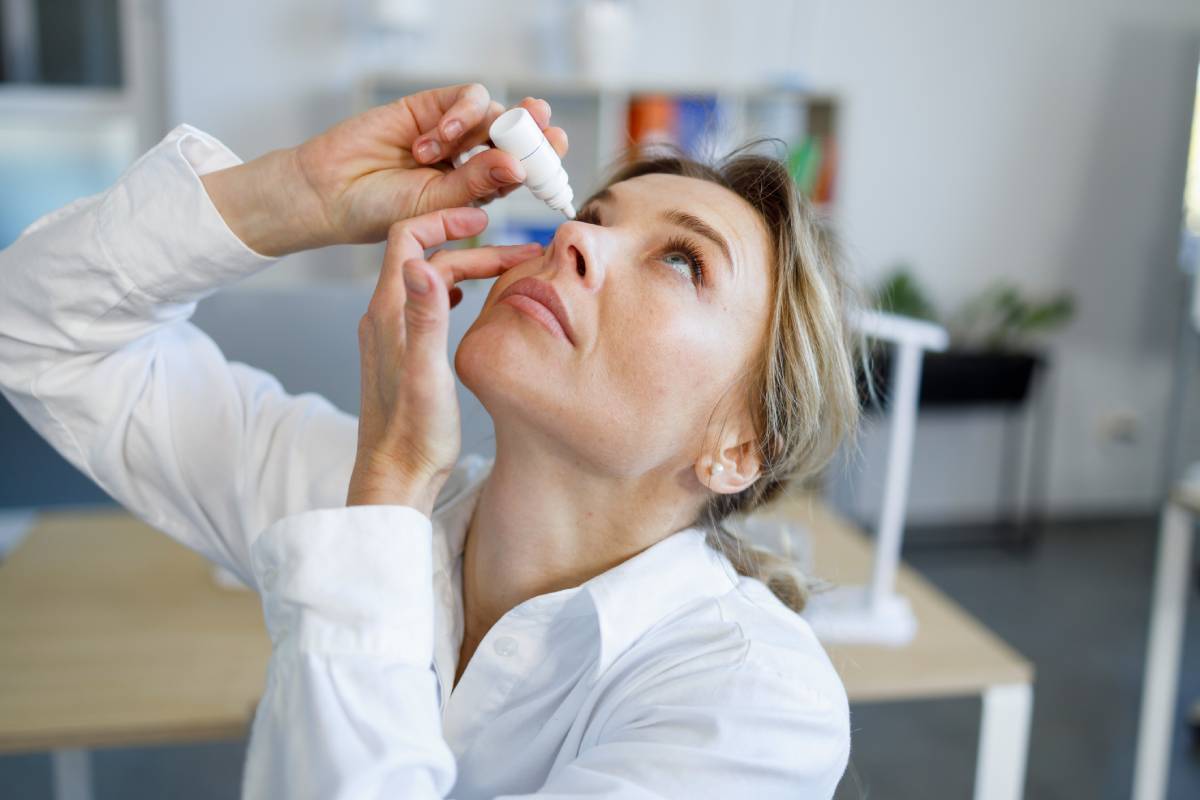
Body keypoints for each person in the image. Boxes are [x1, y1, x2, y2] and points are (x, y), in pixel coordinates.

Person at [0, 82, 860, 798]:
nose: (576, 238)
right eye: (593, 215)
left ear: (740, 447)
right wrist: (297, 196)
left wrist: (389, 484)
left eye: (682, 261)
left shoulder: (760, 706)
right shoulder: (364, 494)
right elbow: (35, 329)